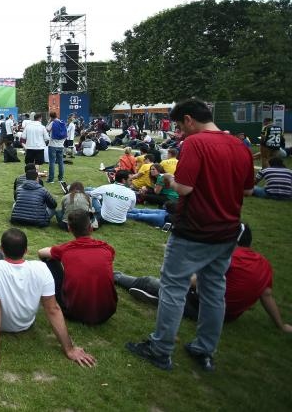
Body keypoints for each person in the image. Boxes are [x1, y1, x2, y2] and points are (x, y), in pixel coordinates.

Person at [126, 99, 254, 372]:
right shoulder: (240, 146)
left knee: (174, 289)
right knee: (214, 292)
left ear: (188, 120)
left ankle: (161, 349)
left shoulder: (196, 143)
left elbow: (183, 188)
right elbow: (247, 191)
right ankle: (204, 349)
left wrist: (169, 181)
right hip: (227, 232)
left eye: (179, 126)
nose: (180, 133)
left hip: (194, 230)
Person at [116, 224, 291, 333]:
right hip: (228, 316)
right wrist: (281, 325)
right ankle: (161, 299)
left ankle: (114, 276)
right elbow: (267, 295)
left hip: (202, 306)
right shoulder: (264, 263)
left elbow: (193, 282)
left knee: (151, 282)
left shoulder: (227, 257)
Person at [0, 228, 96, 372]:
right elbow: (53, 309)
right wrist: (69, 349)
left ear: (2, 248)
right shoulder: (41, 268)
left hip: (0, 323)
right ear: (26, 250)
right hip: (25, 324)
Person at [37, 210, 117, 325]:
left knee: (49, 260)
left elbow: (41, 253)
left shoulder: (66, 249)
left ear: (69, 229)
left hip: (74, 312)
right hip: (107, 312)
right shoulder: (107, 248)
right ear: (90, 228)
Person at [45, 112, 66, 183]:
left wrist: (48, 122)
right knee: (60, 162)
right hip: (61, 146)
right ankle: (60, 178)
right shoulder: (62, 122)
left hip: (52, 145)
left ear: (51, 117)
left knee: (52, 162)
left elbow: (47, 129)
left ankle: (51, 179)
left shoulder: (52, 123)